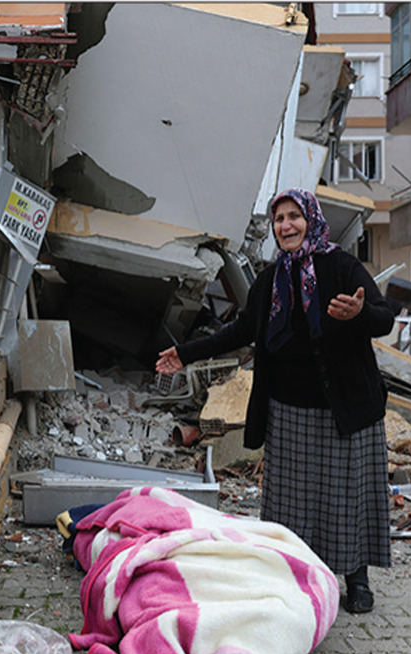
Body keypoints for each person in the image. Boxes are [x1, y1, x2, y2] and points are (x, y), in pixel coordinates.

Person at [156, 187, 395, 614]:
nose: (286, 225)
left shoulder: (342, 267)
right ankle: (299, 572)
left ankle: (356, 576)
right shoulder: (271, 280)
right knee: (294, 502)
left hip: (346, 406)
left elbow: (383, 316)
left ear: (311, 219)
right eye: (279, 219)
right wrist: (186, 353)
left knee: (347, 494)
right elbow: (241, 330)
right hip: (289, 410)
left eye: (294, 216)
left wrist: (360, 315)